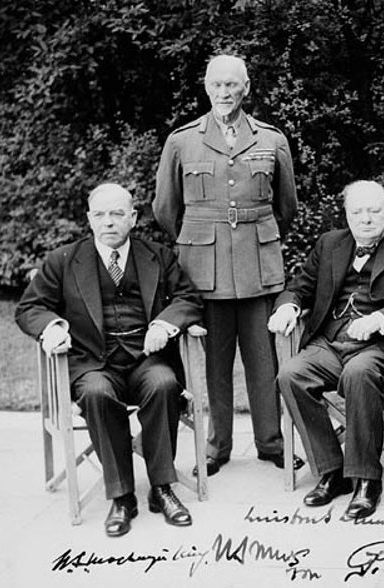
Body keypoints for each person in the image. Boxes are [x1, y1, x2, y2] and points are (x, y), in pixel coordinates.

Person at [15, 183, 204, 537]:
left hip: (146, 359)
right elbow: (30, 308)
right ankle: (122, 496)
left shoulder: (158, 255)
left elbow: (189, 299)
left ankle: (162, 488)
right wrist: (52, 327)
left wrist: (164, 324)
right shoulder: (64, 260)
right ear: (89, 219)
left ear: (133, 218)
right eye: (100, 214)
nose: (109, 222)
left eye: (117, 213)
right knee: (97, 394)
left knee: (164, 384)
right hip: (92, 364)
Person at [154, 54, 301, 476]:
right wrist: (199, 237)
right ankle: (217, 446)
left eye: (232, 85)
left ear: (246, 88)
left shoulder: (271, 139)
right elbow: (166, 208)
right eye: (216, 85)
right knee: (214, 364)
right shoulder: (182, 141)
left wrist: (258, 234)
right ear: (205, 87)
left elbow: (285, 206)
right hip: (204, 269)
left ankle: (271, 443)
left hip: (258, 265)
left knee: (264, 361)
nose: (224, 92)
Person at [269, 180, 384, 519]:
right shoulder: (329, 244)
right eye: (357, 212)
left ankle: (367, 479)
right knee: (291, 374)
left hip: (383, 347)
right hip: (330, 343)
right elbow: (299, 288)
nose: (366, 219)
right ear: (347, 215)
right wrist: (288, 307)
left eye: (374, 211)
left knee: (359, 372)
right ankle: (331, 470)